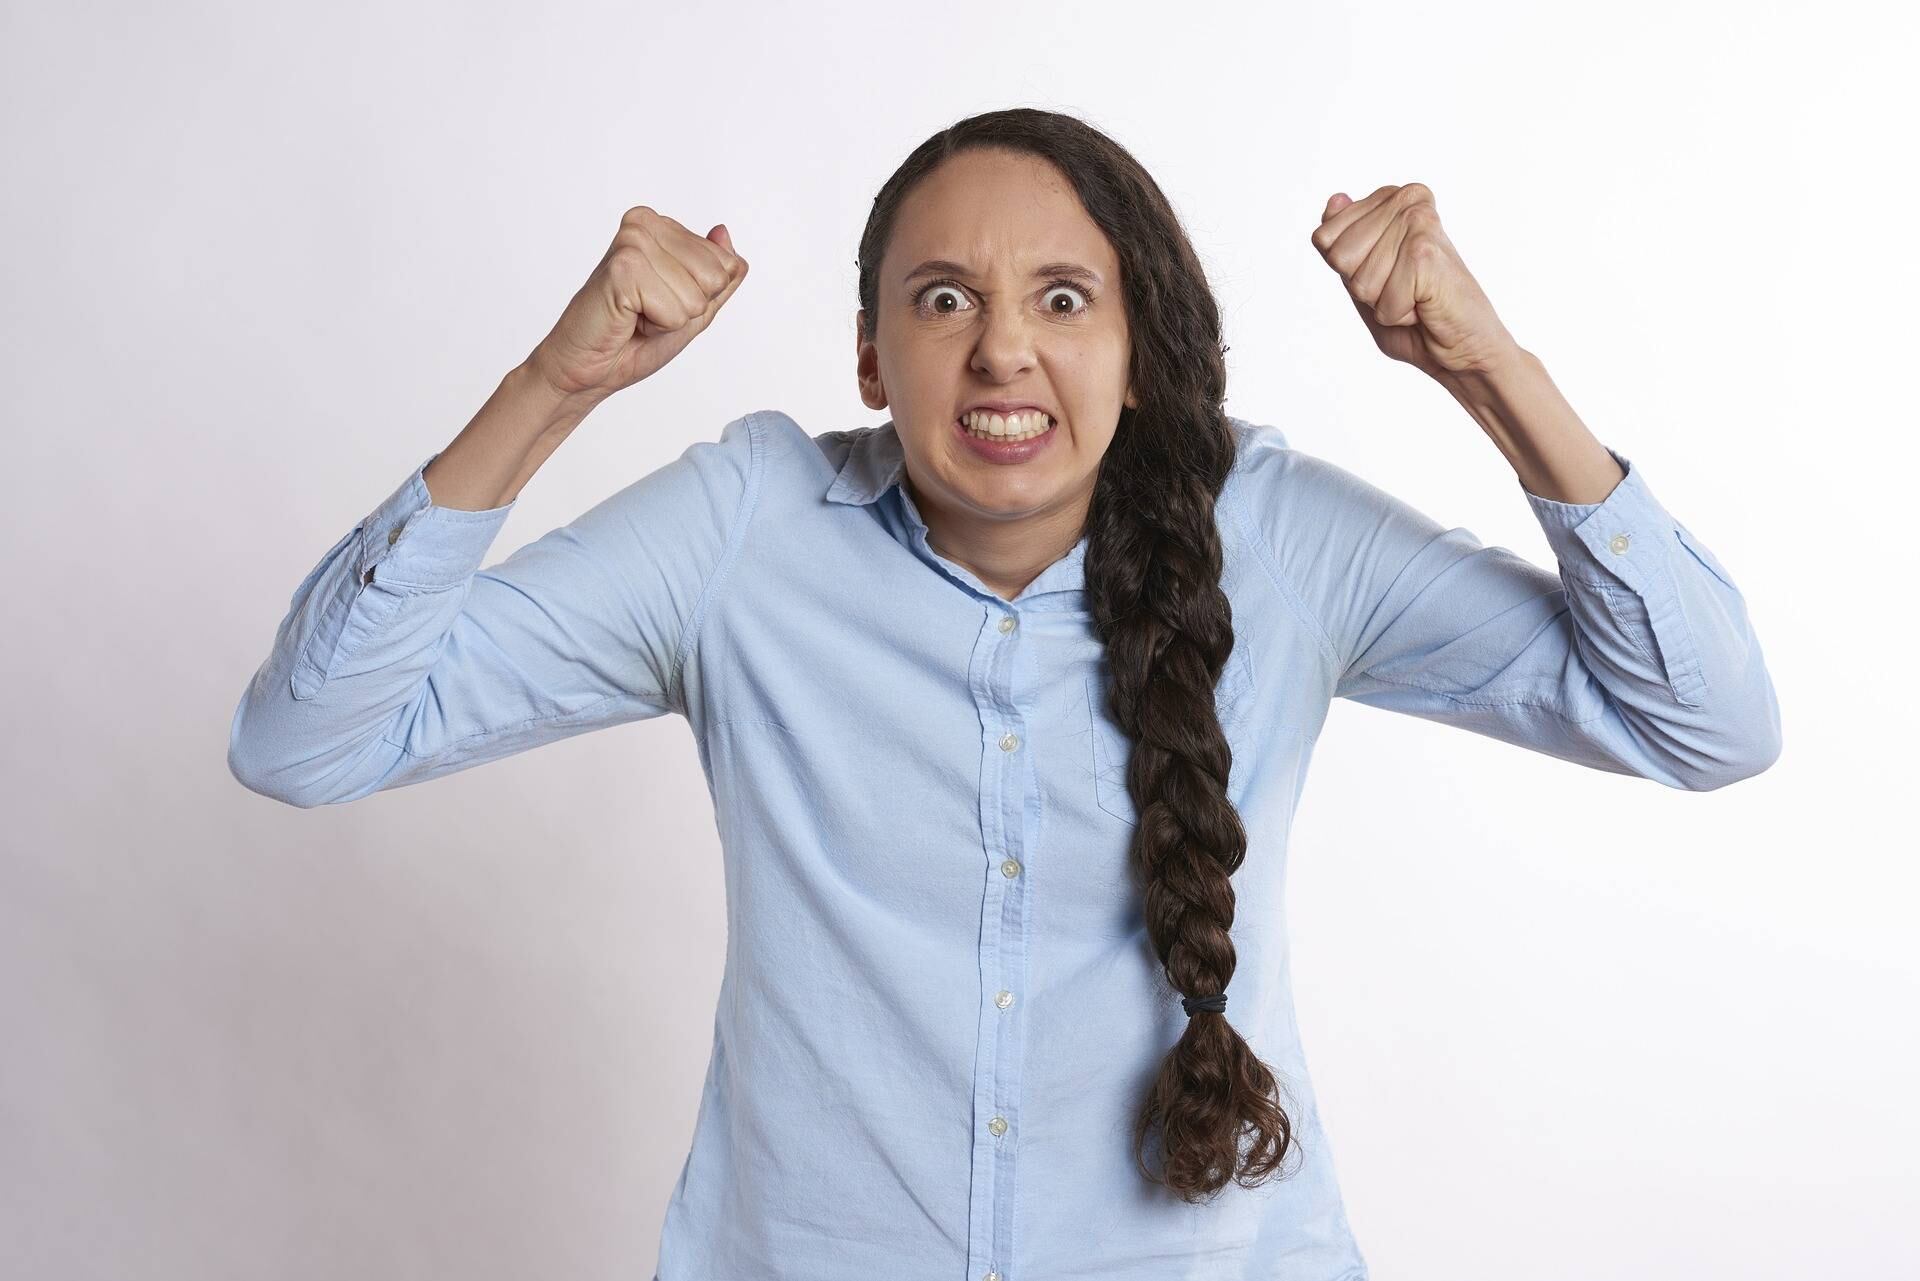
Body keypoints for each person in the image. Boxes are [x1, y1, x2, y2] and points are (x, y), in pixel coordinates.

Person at [227, 108, 1782, 1281]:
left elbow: (1703, 720)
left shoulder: (1280, 537)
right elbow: (308, 737)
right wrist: (552, 388)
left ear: (1140, 348)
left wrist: (1489, 368)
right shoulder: (746, 531)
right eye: (943, 300)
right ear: (869, 355)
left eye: (1062, 298)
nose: (1001, 354)